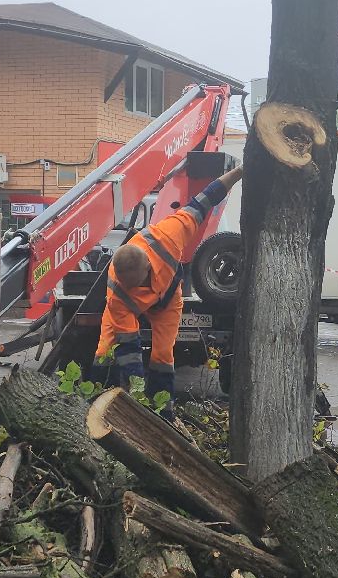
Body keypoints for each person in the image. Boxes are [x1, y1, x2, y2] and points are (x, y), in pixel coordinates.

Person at [97, 165, 245, 410]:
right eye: (129, 286)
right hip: (127, 310)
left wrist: (239, 172)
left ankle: (164, 410)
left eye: (137, 284)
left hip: (167, 300)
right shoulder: (118, 293)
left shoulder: (167, 236)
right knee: (105, 349)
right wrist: (136, 392)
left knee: (163, 355)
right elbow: (129, 347)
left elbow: (204, 201)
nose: (134, 288)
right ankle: (100, 397)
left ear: (147, 265)